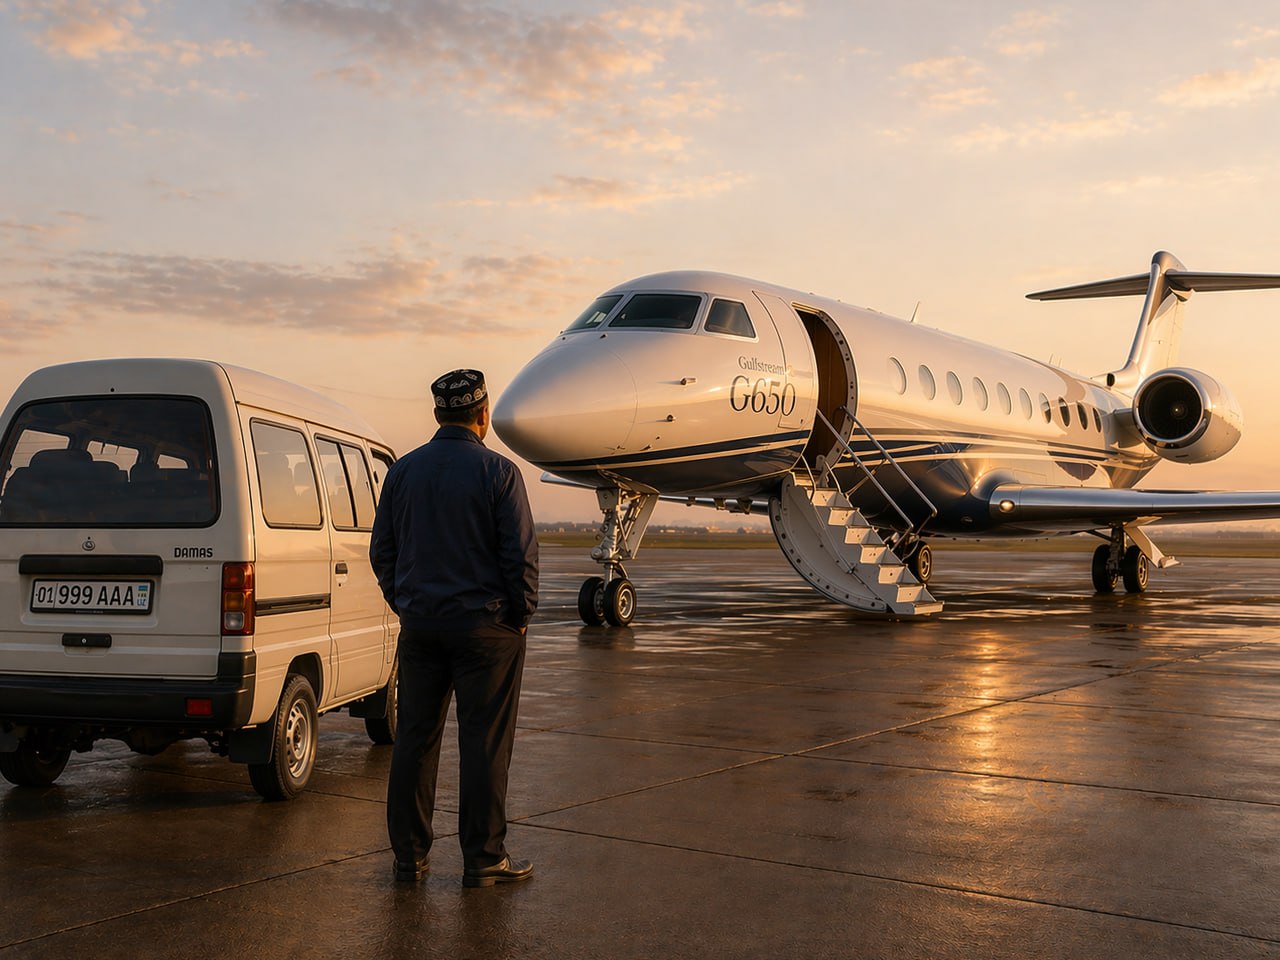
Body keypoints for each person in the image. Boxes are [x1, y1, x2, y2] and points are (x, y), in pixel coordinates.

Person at [370, 369, 539, 887]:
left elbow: (383, 551)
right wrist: (519, 616)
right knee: (484, 744)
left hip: (421, 628)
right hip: (486, 631)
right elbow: (520, 559)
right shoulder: (500, 472)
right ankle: (484, 859)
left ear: (438, 414)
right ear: (482, 414)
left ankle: (409, 858)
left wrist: (406, 603)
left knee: (414, 742)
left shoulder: (403, 473)